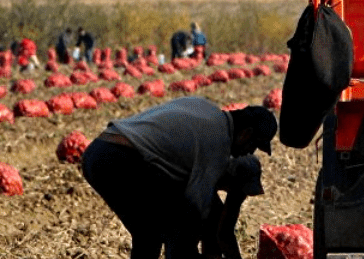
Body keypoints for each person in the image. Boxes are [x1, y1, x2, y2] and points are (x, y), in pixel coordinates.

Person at [81, 97, 277, 259]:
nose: (248, 152)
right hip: (120, 157)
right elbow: (196, 208)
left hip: (100, 150)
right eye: (253, 146)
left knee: (149, 235)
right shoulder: (218, 141)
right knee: (159, 235)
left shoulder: (207, 110)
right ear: (246, 134)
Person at [201, 155, 265, 259]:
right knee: (211, 218)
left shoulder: (239, 185)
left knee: (215, 218)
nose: (242, 195)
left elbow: (225, 231)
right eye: (239, 189)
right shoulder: (207, 170)